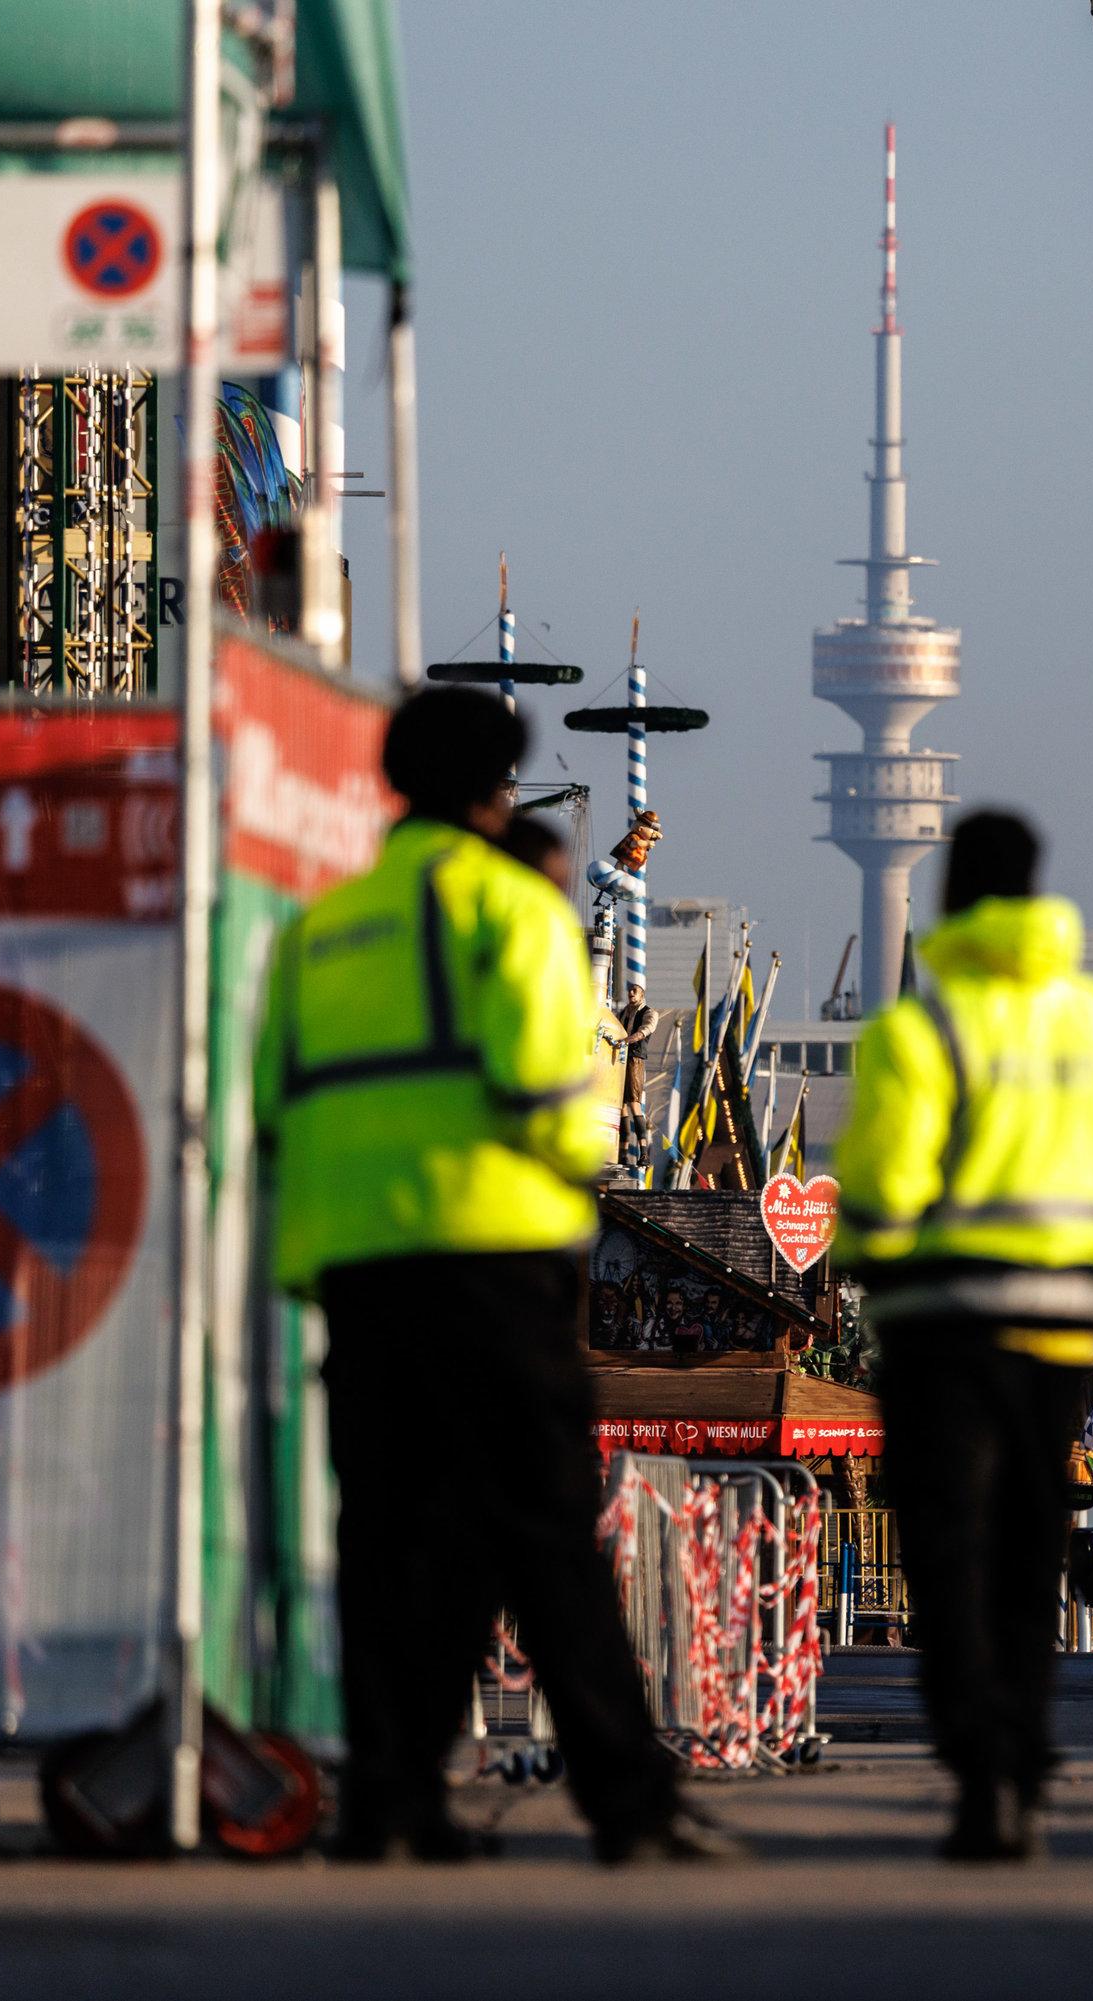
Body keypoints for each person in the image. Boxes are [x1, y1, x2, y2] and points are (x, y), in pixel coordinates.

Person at [254, 688, 728, 1867]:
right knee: (547, 1536)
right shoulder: (508, 913)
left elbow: (271, 1106)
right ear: (490, 793)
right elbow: (559, 1107)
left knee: (389, 1546)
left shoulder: (320, 929)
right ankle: (629, 1801)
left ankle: (390, 1799)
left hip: (356, 1276)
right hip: (492, 1262)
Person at [835, 808, 1093, 1862]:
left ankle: (976, 1767)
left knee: (946, 1559)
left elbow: (885, 1190)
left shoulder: (920, 1032)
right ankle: (1028, 1748)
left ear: (952, 898)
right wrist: (1083, 1249)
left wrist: (880, 1258)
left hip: (939, 1332)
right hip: (1056, 1334)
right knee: (1031, 1551)